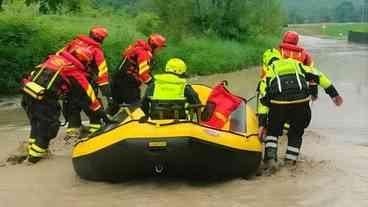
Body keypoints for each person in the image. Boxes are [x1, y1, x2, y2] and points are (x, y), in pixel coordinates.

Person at [257, 48, 343, 170]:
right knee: (296, 132)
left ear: (265, 63)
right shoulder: (295, 64)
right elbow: (319, 76)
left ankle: (271, 160)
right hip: (301, 104)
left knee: (272, 131)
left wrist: (261, 123)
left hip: (279, 105)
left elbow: (263, 101)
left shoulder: (268, 74)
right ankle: (290, 162)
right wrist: (334, 94)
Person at [21, 49, 112, 163]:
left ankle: (31, 149)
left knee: (36, 123)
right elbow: (89, 95)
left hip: (28, 94)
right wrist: (103, 115)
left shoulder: (53, 59)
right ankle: (33, 159)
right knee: (49, 128)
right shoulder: (73, 71)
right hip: (44, 99)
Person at [58, 26, 113, 139]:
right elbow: (103, 74)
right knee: (92, 105)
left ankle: (72, 131)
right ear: (101, 39)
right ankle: (95, 130)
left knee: (72, 105)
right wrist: (108, 94)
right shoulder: (97, 51)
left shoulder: (74, 43)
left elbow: (59, 55)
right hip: (83, 81)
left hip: (66, 80)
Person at [108, 34, 166, 116]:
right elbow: (143, 73)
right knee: (137, 108)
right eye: (160, 48)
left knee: (114, 105)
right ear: (154, 46)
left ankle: (104, 123)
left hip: (116, 79)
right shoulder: (144, 54)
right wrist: (153, 84)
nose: (160, 50)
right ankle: (139, 125)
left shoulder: (136, 48)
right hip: (128, 83)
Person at [278, 31, 318, 100]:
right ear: (297, 41)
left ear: (284, 39)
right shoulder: (305, 55)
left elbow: (266, 74)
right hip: (300, 89)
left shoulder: (276, 52)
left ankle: (262, 111)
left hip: (278, 89)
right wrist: (314, 93)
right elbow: (312, 74)